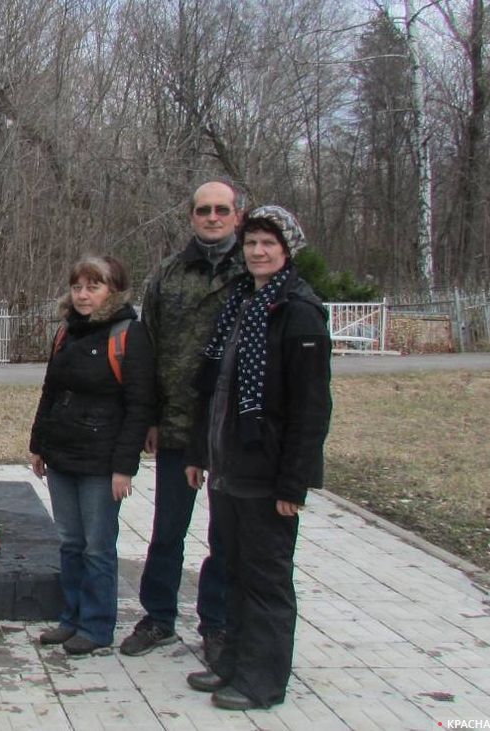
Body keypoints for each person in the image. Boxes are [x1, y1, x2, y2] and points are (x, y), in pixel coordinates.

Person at [182, 205, 332, 710]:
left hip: (267, 473)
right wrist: (202, 452)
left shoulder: (299, 311)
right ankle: (234, 663)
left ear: (287, 250)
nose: (258, 252)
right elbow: (215, 389)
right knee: (235, 569)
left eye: (268, 243)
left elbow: (312, 408)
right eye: (251, 244)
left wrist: (295, 484)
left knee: (267, 578)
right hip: (230, 466)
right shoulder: (241, 303)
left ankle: (263, 680)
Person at [121, 180, 243, 663]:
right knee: (168, 529)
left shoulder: (251, 272)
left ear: (236, 215)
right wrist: (149, 415)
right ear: (191, 217)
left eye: (221, 210)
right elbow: (146, 349)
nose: (212, 218)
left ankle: (216, 624)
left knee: (224, 535)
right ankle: (158, 618)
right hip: (174, 424)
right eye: (203, 210)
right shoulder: (169, 274)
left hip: (232, 430)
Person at [29, 255, 156, 655]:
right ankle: (72, 617)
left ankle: (98, 624)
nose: (84, 295)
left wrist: (124, 467)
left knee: (97, 546)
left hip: (102, 461)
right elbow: (51, 389)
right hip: (63, 454)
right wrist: (39, 443)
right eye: (78, 287)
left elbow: (139, 407)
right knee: (69, 540)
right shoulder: (66, 332)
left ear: (113, 291)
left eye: (94, 286)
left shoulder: (129, 335)